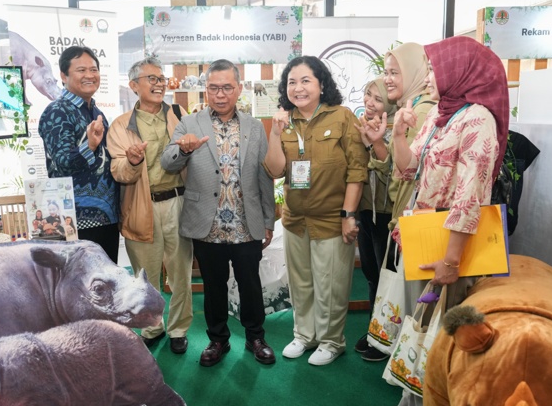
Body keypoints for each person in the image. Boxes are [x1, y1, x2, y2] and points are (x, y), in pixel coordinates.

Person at [373, 35, 509, 406]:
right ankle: (408, 403)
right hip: (424, 234)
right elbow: (408, 169)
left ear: (459, 72)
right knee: (417, 325)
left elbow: (471, 197)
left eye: (436, 69)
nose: (430, 77)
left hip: (449, 245)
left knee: (438, 332)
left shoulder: (478, 120)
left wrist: (451, 260)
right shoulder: (441, 114)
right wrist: (398, 134)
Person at [160, 59, 276, 367]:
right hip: (206, 222)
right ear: (206, 90)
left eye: (226, 88)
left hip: (245, 222)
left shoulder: (254, 127)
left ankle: (255, 337)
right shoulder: (190, 123)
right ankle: (217, 339)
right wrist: (183, 149)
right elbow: (167, 162)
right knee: (213, 287)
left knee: (250, 285)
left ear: (239, 89)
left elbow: (265, 176)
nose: (220, 94)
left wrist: (268, 220)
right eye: (213, 88)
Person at [264, 55, 367, 366]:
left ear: (322, 84)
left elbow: (357, 170)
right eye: (292, 82)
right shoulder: (285, 122)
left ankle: (332, 341)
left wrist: (348, 215)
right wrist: (274, 133)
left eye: (305, 81)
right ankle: (304, 335)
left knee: (331, 283)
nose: (298, 88)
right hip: (295, 219)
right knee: (301, 283)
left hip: (332, 218)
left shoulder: (342, 117)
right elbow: (275, 171)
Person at [355, 42, 435, 361]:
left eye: (394, 72)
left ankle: (404, 355)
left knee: (409, 292)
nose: (388, 79)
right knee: (388, 281)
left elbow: (409, 170)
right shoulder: (410, 108)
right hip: (401, 215)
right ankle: (389, 344)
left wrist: (393, 138)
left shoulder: (423, 111)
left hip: (415, 217)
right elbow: (401, 167)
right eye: (385, 72)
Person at [110, 57, 193, 355]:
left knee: (181, 273)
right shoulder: (120, 125)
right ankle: (152, 327)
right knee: (145, 277)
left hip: (178, 202)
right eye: (152, 79)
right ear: (134, 85)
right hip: (140, 206)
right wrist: (132, 161)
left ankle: (179, 329)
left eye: (161, 79)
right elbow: (118, 171)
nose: (159, 84)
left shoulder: (180, 115)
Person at [38, 46, 119, 262]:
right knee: (76, 281)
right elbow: (62, 162)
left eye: (94, 70)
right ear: (63, 76)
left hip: (106, 216)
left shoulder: (96, 111)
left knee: (105, 279)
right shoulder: (57, 111)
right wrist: (89, 145)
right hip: (72, 221)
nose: (90, 75)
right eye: (81, 70)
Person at [355, 78, 398, 310]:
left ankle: (387, 327)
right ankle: (374, 325)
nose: (369, 102)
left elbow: (392, 172)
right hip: (365, 209)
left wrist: (374, 143)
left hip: (387, 213)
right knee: (370, 273)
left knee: (387, 276)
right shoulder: (363, 124)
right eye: (368, 94)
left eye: (378, 99)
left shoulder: (400, 128)